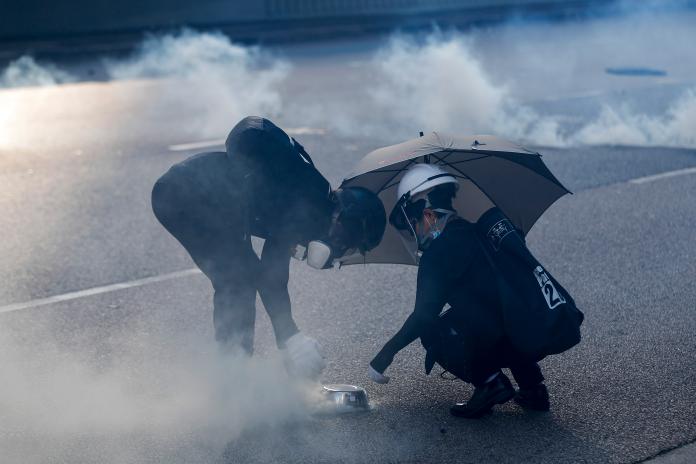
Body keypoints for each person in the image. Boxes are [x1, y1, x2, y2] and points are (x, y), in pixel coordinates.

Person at [152, 116, 386, 379]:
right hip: (184, 193)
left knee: (241, 276)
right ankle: (232, 379)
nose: (340, 253)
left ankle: (234, 373)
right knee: (237, 280)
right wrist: (290, 338)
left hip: (189, 196)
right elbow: (250, 128)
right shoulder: (308, 198)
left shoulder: (312, 212)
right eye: (347, 244)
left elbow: (272, 275)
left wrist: (288, 338)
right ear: (343, 221)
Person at [367, 163, 551, 418]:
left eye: (414, 223)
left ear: (429, 215)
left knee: (433, 330)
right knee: (492, 309)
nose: (415, 232)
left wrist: (385, 354)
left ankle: (489, 382)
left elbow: (423, 316)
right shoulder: (479, 231)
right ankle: (533, 389)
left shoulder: (438, 254)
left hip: (502, 335)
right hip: (529, 329)